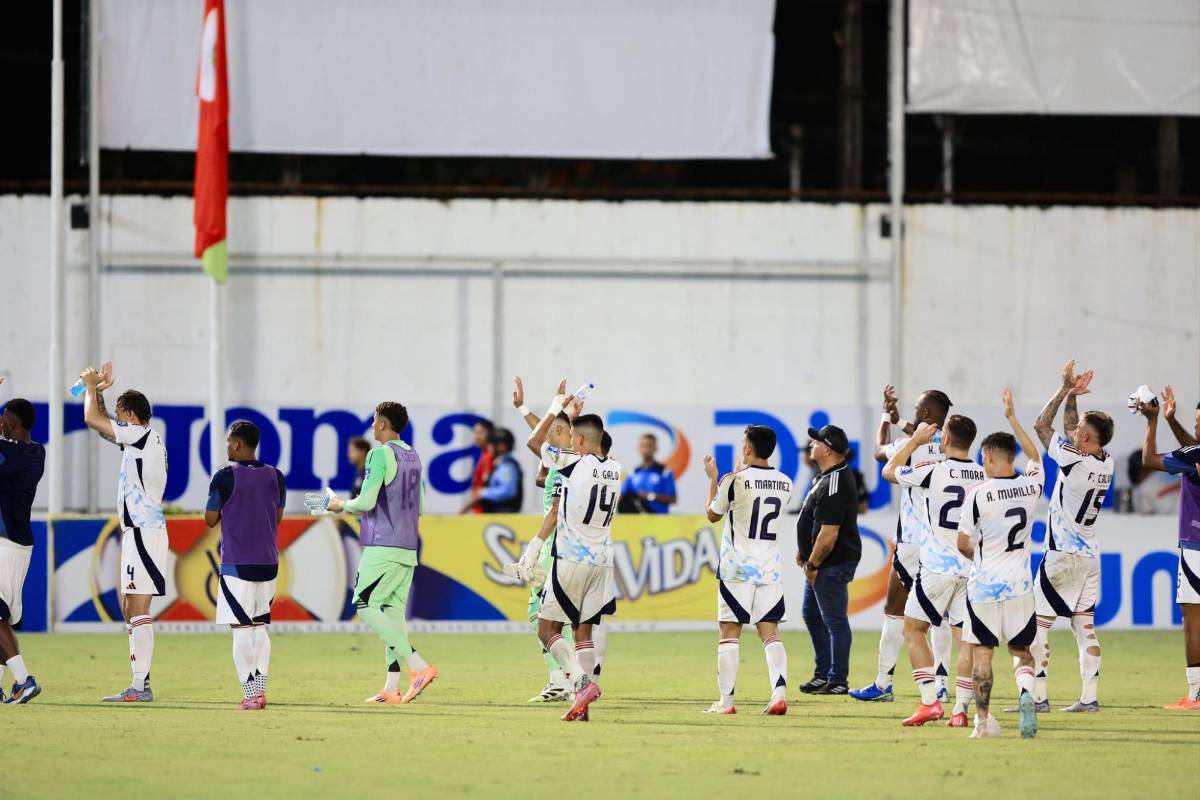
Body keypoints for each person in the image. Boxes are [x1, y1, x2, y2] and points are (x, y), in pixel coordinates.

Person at [315, 401, 438, 705]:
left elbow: (366, 502)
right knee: (393, 614)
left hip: (383, 545)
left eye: (373, 421)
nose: (371, 426)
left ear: (382, 424)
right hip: (408, 546)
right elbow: (420, 506)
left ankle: (419, 667)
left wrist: (338, 505)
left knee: (364, 603)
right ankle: (391, 688)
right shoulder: (413, 456)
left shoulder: (379, 454)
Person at [516, 395, 621, 722]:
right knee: (583, 633)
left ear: (579, 440)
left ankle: (580, 682)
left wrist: (553, 407)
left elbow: (535, 441)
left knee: (547, 629)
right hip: (602, 562)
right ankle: (581, 706)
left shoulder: (574, 464)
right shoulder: (616, 468)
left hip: (572, 559)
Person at [852, 385, 953, 703]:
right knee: (941, 616)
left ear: (924, 414)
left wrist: (886, 416)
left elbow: (880, 450)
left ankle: (883, 684)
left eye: (916, 409)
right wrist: (903, 423)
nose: (911, 413)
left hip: (912, 541)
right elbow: (923, 439)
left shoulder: (907, 446)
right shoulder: (952, 446)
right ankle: (942, 685)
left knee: (894, 610)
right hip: (943, 544)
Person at [882, 416, 984, 728]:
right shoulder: (983, 475)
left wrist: (914, 442)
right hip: (970, 569)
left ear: (946, 440)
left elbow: (888, 471)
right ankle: (961, 711)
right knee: (965, 639)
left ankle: (929, 702)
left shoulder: (933, 471)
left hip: (937, 567)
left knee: (913, 629)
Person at [955, 387, 1043, 739]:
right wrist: (1012, 417)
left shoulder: (978, 494)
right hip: (1020, 583)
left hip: (985, 584)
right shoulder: (1031, 487)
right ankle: (1026, 693)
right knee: (1021, 650)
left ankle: (982, 722)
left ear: (990, 456)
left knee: (982, 656)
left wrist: (980, 558)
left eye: (982, 458)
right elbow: (1035, 455)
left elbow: (963, 543)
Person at [1028, 360, 1114, 713]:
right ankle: (1089, 698)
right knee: (1085, 628)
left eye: (1079, 429)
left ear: (1085, 438)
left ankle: (1037, 698)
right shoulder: (1105, 461)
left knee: (1037, 625)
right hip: (1090, 555)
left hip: (1062, 554)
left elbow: (1041, 425)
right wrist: (1076, 398)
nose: (1073, 430)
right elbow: (1068, 429)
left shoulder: (1074, 460)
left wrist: (1064, 389)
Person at [81, 362, 169, 703]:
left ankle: (140, 685)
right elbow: (104, 428)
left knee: (136, 605)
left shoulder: (142, 434)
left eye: (120, 413)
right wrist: (100, 394)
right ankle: (139, 683)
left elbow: (92, 421)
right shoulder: (141, 438)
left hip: (144, 530)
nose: (116, 420)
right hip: (140, 530)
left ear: (131, 415)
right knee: (129, 604)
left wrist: (89, 389)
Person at [701, 425, 794, 715]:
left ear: (749, 448)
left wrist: (714, 479)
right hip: (769, 570)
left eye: (743, 443)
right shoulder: (785, 482)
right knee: (770, 633)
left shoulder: (734, 479)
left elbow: (713, 515)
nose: (742, 446)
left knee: (729, 632)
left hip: (737, 569)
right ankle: (778, 695)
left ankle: (726, 702)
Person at [205, 421, 286, 710]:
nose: (227, 446)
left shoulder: (224, 477)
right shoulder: (276, 476)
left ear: (237, 444)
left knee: (240, 629)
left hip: (237, 564)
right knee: (260, 627)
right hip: (268, 562)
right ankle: (261, 690)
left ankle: (250, 694)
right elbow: (277, 518)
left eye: (228, 441)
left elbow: (210, 518)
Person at [512, 376, 578, 702]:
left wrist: (535, 549)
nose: (546, 435)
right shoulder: (567, 462)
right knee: (552, 616)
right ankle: (564, 677)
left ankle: (566, 678)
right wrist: (523, 408)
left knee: (540, 614)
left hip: (554, 548)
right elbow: (543, 435)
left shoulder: (563, 462)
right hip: (564, 548)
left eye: (555, 431)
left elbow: (539, 438)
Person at [1135, 386, 1200, 710]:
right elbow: (1193, 448)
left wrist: (1154, 421)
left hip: (1195, 545)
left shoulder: (1194, 457)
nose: (1197, 428)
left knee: (1193, 620)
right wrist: (1174, 421)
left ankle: (1196, 695)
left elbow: (1149, 459)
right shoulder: (1195, 455)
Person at [795, 423, 861, 696]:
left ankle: (837, 679)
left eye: (816, 441)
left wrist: (813, 563)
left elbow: (829, 533)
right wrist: (805, 549)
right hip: (822, 561)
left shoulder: (834, 482)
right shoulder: (825, 476)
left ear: (829, 449)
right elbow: (816, 522)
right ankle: (824, 674)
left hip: (830, 562)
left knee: (834, 620)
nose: (811, 444)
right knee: (812, 615)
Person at [0, 394, 46, 704]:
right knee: (2, 617)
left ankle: (24, 679)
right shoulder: (37, 452)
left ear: (12, 423)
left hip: (5, 544)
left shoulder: (8, 454)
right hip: (20, 545)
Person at [620, 433, 677, 514]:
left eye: (649, 445)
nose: (646, 449)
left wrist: (649, 496)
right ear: (639, 448)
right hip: (636, 523)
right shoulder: (633, 473)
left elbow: (673, 499)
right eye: (643, 446)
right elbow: (622, 496)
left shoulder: (664, 472)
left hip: (658, 521)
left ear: (656, 448)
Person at [477, 428, 524, 513]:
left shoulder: (506, 466)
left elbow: (508, 490)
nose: (488, 448)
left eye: (491, 445)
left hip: (503, 516)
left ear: (502, 446)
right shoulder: (499, 464)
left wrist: (483, 493)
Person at [460, 418, 495, 514]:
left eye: (481, 433)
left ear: (490, 434)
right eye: (475, 432)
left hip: (484, 512)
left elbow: (483, 490)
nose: (477, 436)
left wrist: (462, 512)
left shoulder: (488, 457)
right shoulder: (484, 455)